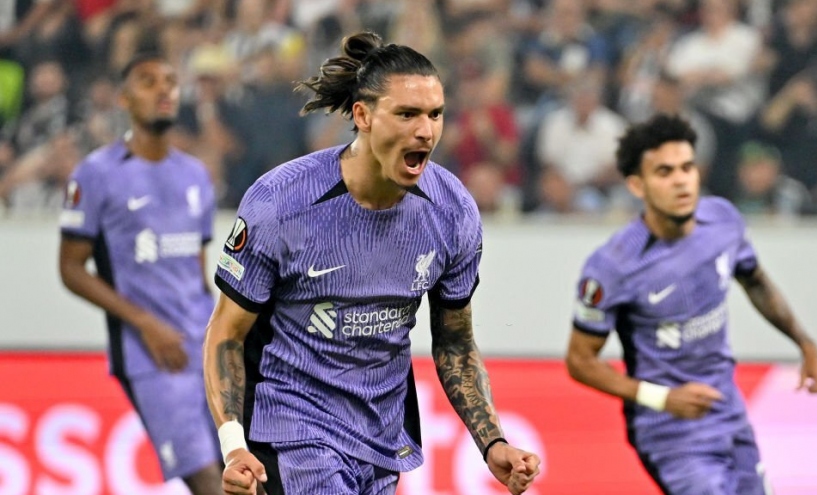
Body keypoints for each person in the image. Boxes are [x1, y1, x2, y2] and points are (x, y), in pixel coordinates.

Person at [202, 31, 541, 495]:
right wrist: (233, 444)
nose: (426, 131)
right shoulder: (282, 201)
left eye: (435, 114)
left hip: (380, 443)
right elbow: (226, 332)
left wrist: (492, 441)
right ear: (362, 116)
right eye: (407, 114)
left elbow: (456, 343)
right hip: (292, 431)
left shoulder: (452, 211)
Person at [564, 113, 817, 495]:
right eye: (664, 171)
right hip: (668, 433)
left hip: (729, 412)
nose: (680, 180)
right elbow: (580, 361)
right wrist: (663, 398)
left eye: (687, 167)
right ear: (637, 185)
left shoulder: (723, 220)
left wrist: (805, 344)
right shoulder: (613, 266)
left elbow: (755, 281)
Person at [58, 53, 223, 494]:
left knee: (241, 472)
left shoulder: (195, 175)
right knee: (206, 480)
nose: (163, 89)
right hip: (150, 356)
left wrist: (222, 335)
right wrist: (146, 323)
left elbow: (197, 269)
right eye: (148, 81)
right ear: (124, 98)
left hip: (205, 348)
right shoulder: (96, 174)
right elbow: (70, 268)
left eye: (170, 80)